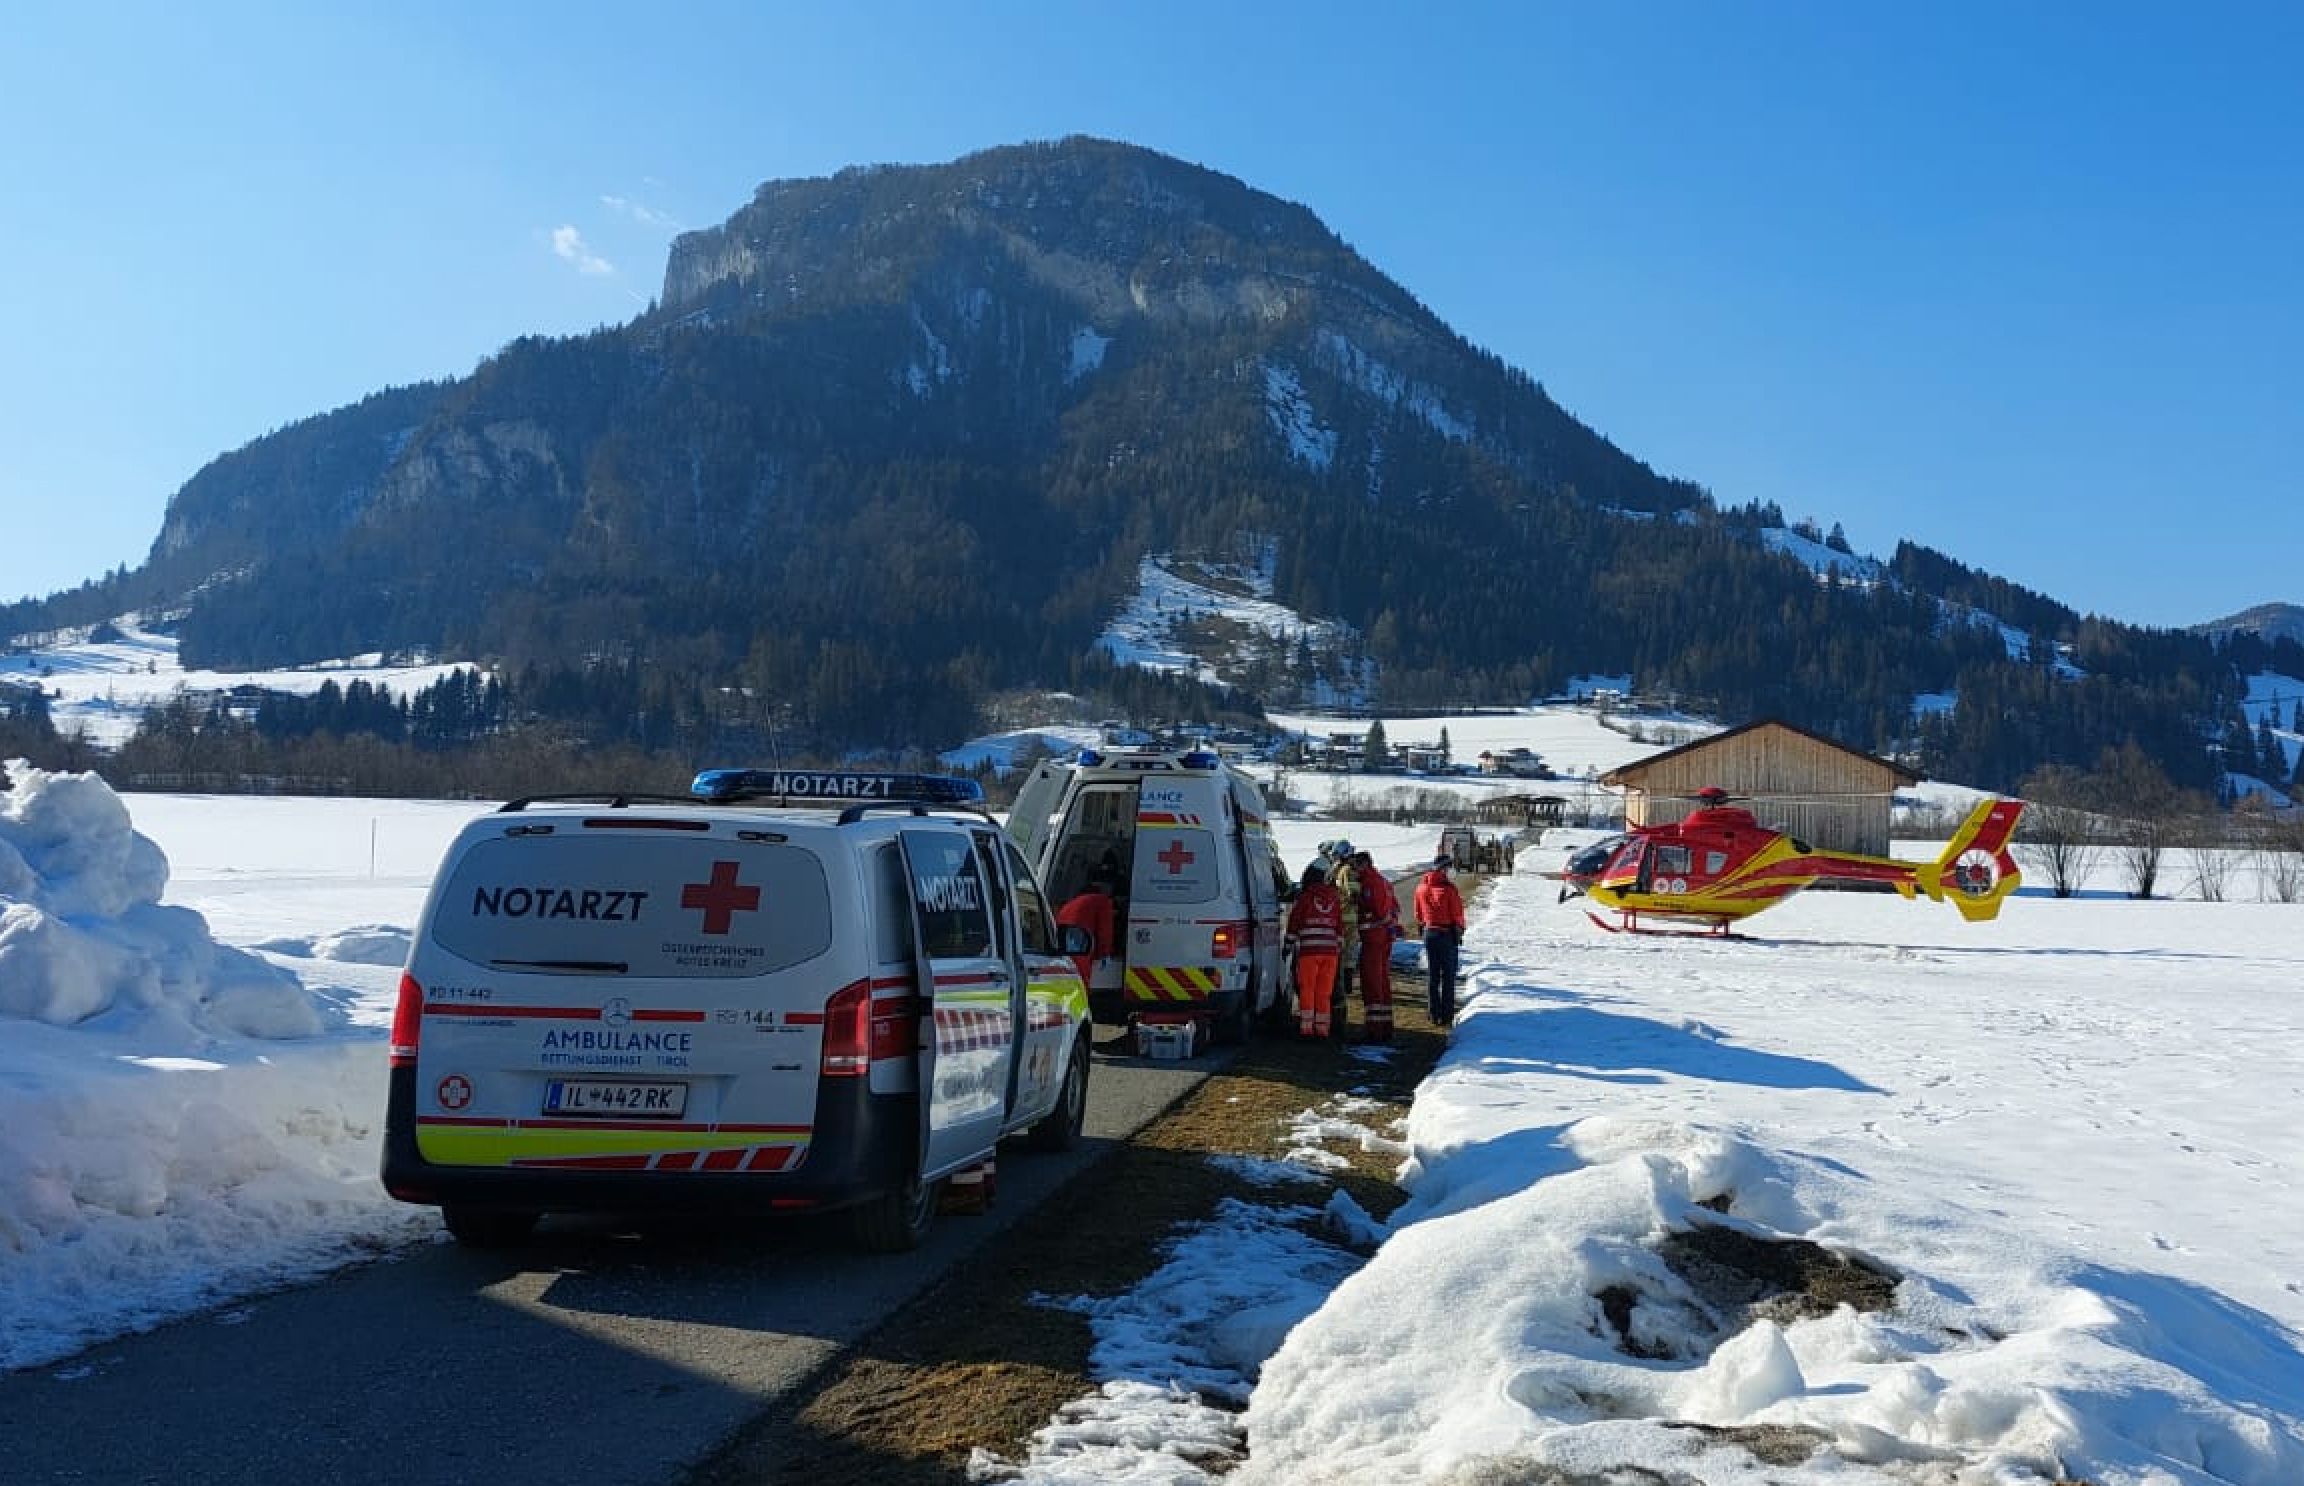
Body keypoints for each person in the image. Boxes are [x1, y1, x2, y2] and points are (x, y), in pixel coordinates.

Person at [1284, 862, 1345, 1040]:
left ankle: (1306, 1028)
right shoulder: (1333, 897)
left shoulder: (1305, 898)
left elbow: (1294, 922)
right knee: (1324, 991)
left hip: (1309, 952)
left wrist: (1288, 944)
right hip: (1330, 952)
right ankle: (1322, 1029)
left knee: (1307, 989)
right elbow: (1339, 925)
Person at [1350, 849, 1398, 1043]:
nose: (1353, 870)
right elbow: (1393, 908)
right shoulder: (1382, 881)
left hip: (1374, 939)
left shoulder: (1370, 883)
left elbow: (1376, 911)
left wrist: (1358, 905)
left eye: (1355, 866)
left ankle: (1375, 1030)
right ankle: (1385, 1026)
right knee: (1382, 982)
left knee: (1372, 983)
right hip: (1382, 937)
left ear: (1364, 865)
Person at [1414, 854, 1468, 1027]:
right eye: (1450, 867)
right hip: (1446, 934)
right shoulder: (1449, 889)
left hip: (1429, 933)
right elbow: (1457, 914)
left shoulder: (1421, 888)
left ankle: (1433, 1012)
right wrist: (1459, 931)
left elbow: (1418, 914)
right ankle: (1446, 1014)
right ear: (1443, 869)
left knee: (1433, 975)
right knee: (1448, 975)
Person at [1056, 872, 1119, 991]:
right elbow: (1105, 930)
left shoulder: (1073, 902)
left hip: (1065, 942)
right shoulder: (1102, 901)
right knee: (1081, 982)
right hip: (1079, 942)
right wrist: (1104, 953)